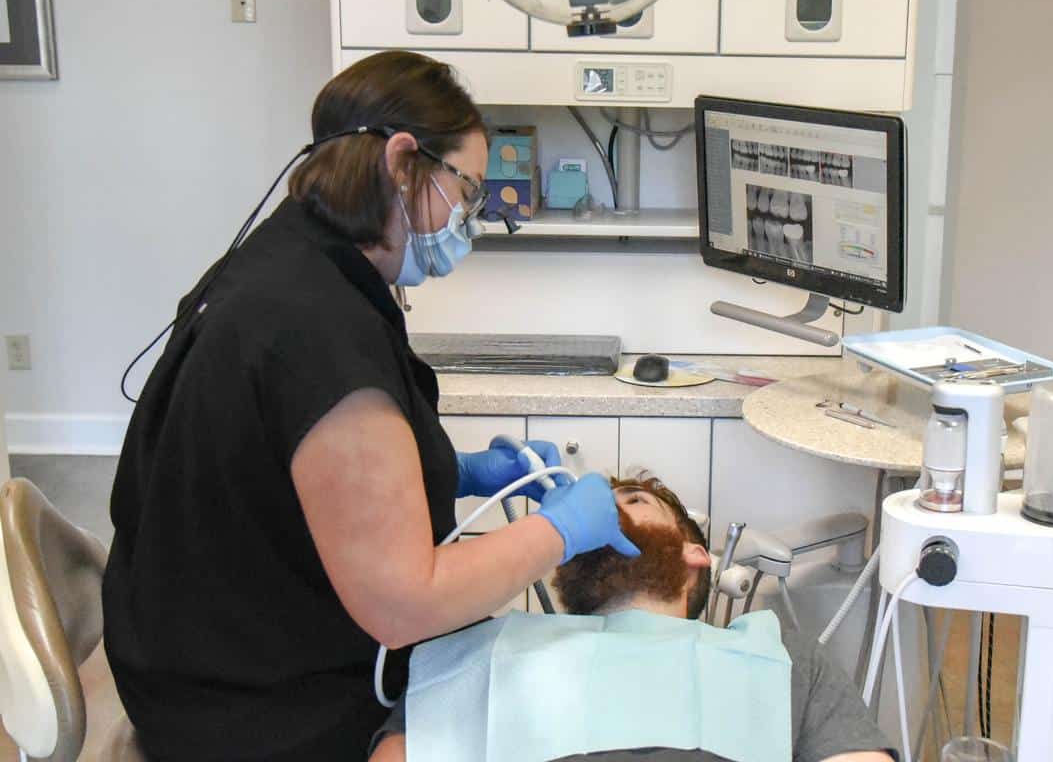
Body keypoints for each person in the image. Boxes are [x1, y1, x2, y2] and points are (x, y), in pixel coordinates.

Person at [101, 50, 639, 761]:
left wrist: (451, 469)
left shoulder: (286, 260)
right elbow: (403, 604)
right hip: (247, 713)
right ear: (401, 161)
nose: (472, 217)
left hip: (190, 652)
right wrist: (560, 533)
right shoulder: (317, 330)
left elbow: (285, 474)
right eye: (467, 190)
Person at [370, 473, 897, 762]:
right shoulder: (481, 648)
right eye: (589, 509)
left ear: (695, 553)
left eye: (632, 501)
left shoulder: (781, 659)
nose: (606, 513)